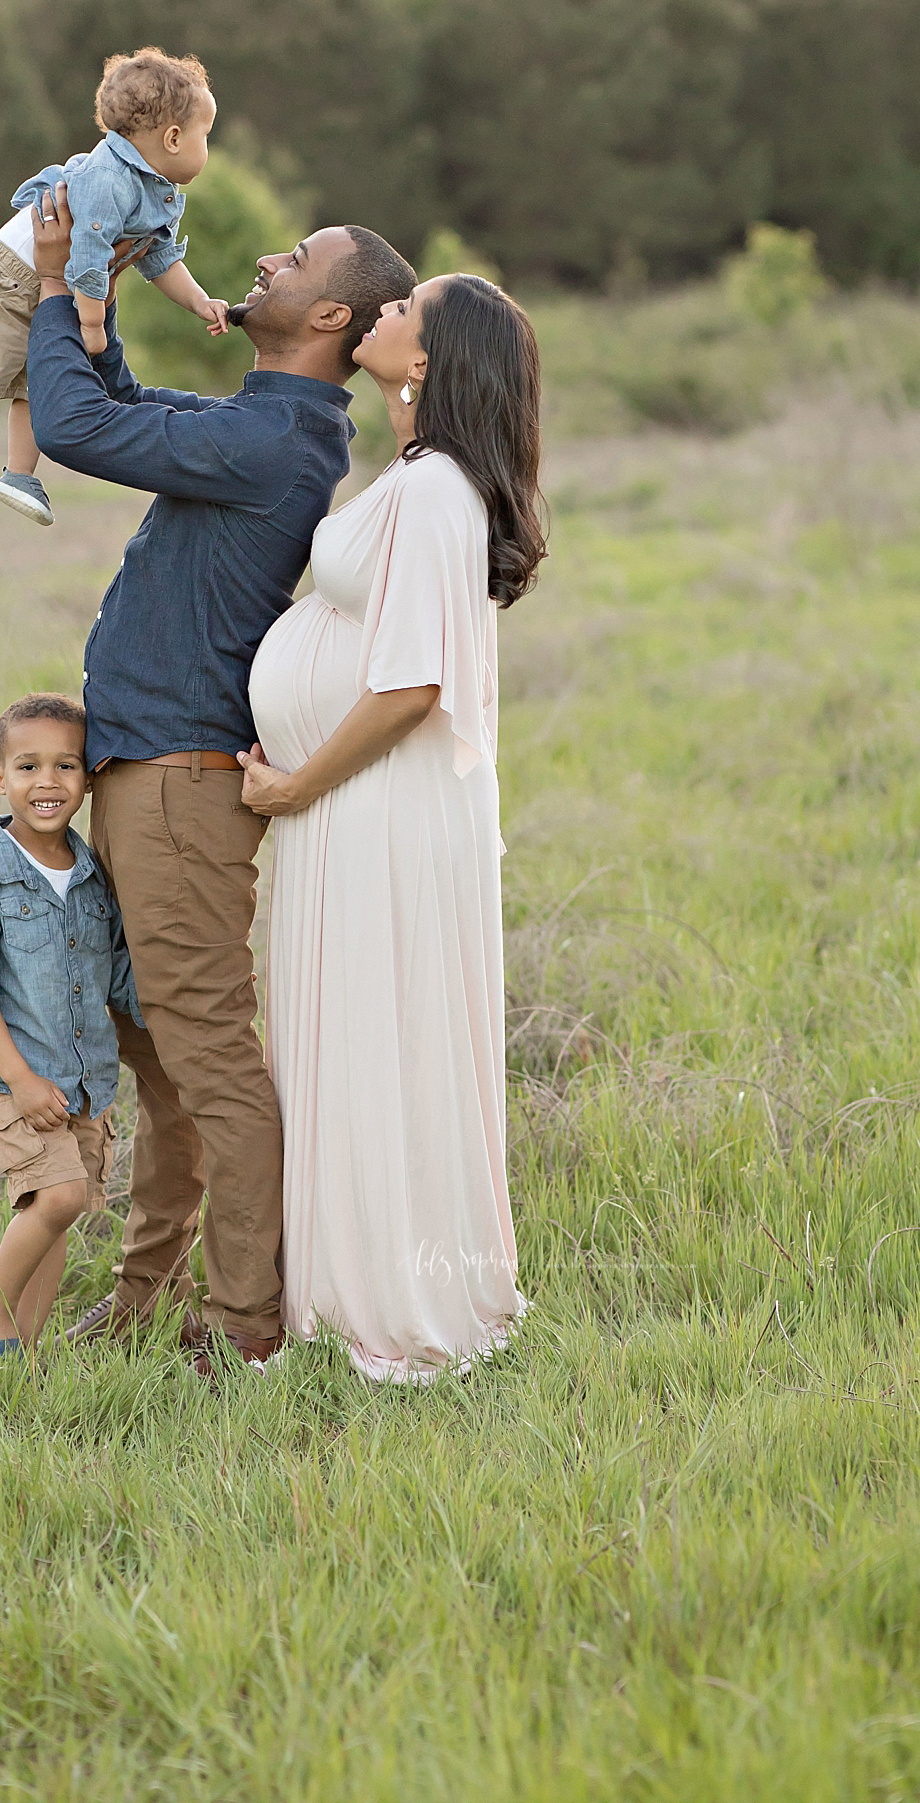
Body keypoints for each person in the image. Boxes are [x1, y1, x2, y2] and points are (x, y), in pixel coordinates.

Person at [24, 180, 417, 1372]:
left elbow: (80, 430)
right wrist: (94, 317)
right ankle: (147, 1299)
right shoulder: (266, 424)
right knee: (165, 1062)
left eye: (297, 258)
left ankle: (245, 1324)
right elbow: (128, 406)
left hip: (177, 788)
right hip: (148, 775)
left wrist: (50, 288)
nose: (266, 258)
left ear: (334, 320)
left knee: (208, 1063)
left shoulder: (273, 439)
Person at [240, 273, 547, 1382]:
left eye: (409, 308)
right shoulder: (420, 480)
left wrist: (295, 785)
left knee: (378, 1035)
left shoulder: (435, 493)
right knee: (361, 1032)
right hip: (362, 808)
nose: (384, 311)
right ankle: (347, 1282)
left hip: (372, 803)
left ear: (428, 359)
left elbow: (413, 685)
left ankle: (391, 1300)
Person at [0, 47, 231, 531]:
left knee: (42, 376)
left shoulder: (158, 189)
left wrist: (199, 300)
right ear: (174, 138)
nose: (207, 148)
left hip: (62, 283)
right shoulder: (106, 180)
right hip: (10, 275)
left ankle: (19, 472)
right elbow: (91, 256)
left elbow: (157, 256)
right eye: (207, 136)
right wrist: (92, 324)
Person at [0, 694, 139, 1365]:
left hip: (83, 1079)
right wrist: (19, 1081)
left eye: (65, 766)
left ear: (87, 778)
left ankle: (18, 1354)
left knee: (60, 1213)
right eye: (27, 766)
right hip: (14, 1077)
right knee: (59, 1194)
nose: (47, 783)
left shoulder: (93, 879)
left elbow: (115, 975)